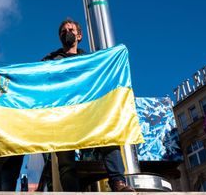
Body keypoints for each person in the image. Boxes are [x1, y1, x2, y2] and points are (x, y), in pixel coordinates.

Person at [39, 18, 135, 192]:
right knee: (65, 160)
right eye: (63, 31)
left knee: (108, 140)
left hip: (89, 113)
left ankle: (118, 184)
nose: (67, 33)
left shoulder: (92, 60)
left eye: (71, 30)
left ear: (79, 35)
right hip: (64, 115)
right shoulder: (50, 61)